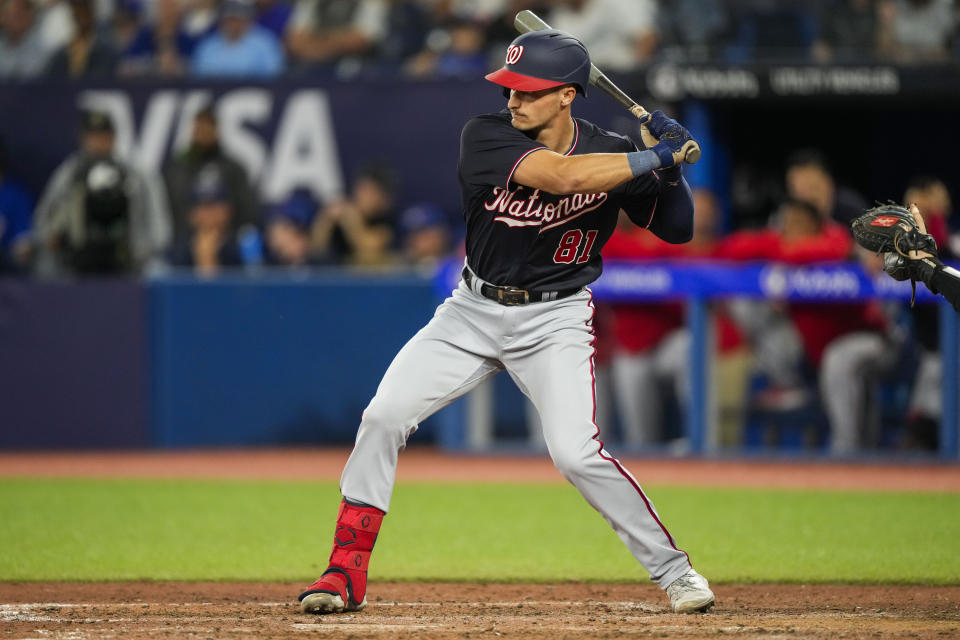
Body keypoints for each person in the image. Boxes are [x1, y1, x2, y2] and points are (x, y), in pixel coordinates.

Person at [297, 29, 714, 616]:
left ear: (568, 95)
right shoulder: (486, 135)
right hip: (470, 313)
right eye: (509, 89)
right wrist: (654, 156)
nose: (512, 100)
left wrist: (671, 172)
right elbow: (563, 178)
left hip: (555, 318)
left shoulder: (611, 149)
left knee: (576, 454)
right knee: (383, 415)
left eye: (527, 91)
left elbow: (676, 230)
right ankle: (344, 570)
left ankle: (675, 572)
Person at [33, 109, 171, 276]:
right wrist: (50, 236)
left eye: (104, 137)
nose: (98, 143)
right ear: (83, 139)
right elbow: (44, 218)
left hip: (129, 263)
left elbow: (159, 225)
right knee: (46, 267)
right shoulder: (69, 174)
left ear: (113, 138)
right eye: (93, 137)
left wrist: (145, 251)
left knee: (157, 270)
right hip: (78, 264)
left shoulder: (135, 173)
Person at [164, 106, 259, 242]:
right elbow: (169, 208)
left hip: (226, 244)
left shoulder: (233, 168)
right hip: (183, 243)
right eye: (199, 127)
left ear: (216, 130)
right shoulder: (178, 169)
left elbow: (247, 210)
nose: (202, 132)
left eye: (207, 126)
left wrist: (228, 238)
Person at [308, 164, 397, 266]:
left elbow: (369, 247)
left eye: (371, 191)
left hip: (368, 277)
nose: (364, 195)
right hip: (335, 276)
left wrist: (350, 218)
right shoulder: (339, 215)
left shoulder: (387, 219)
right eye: (363, 189)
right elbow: (316, 248)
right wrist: (326, 219)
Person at [191, 0, 284, 77]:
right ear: (222, 21)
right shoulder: (207, 46)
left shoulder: (266, 43)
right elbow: (198, 76)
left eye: (239, 19)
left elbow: (274, 75)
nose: (234, 24)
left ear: (249, 19)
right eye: (230, 19)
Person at [0, 0, 55, 78]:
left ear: (30, 16)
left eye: (19, 15)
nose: (14, 21)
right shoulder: (1, 44)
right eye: (11, 15)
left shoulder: (41, 48)